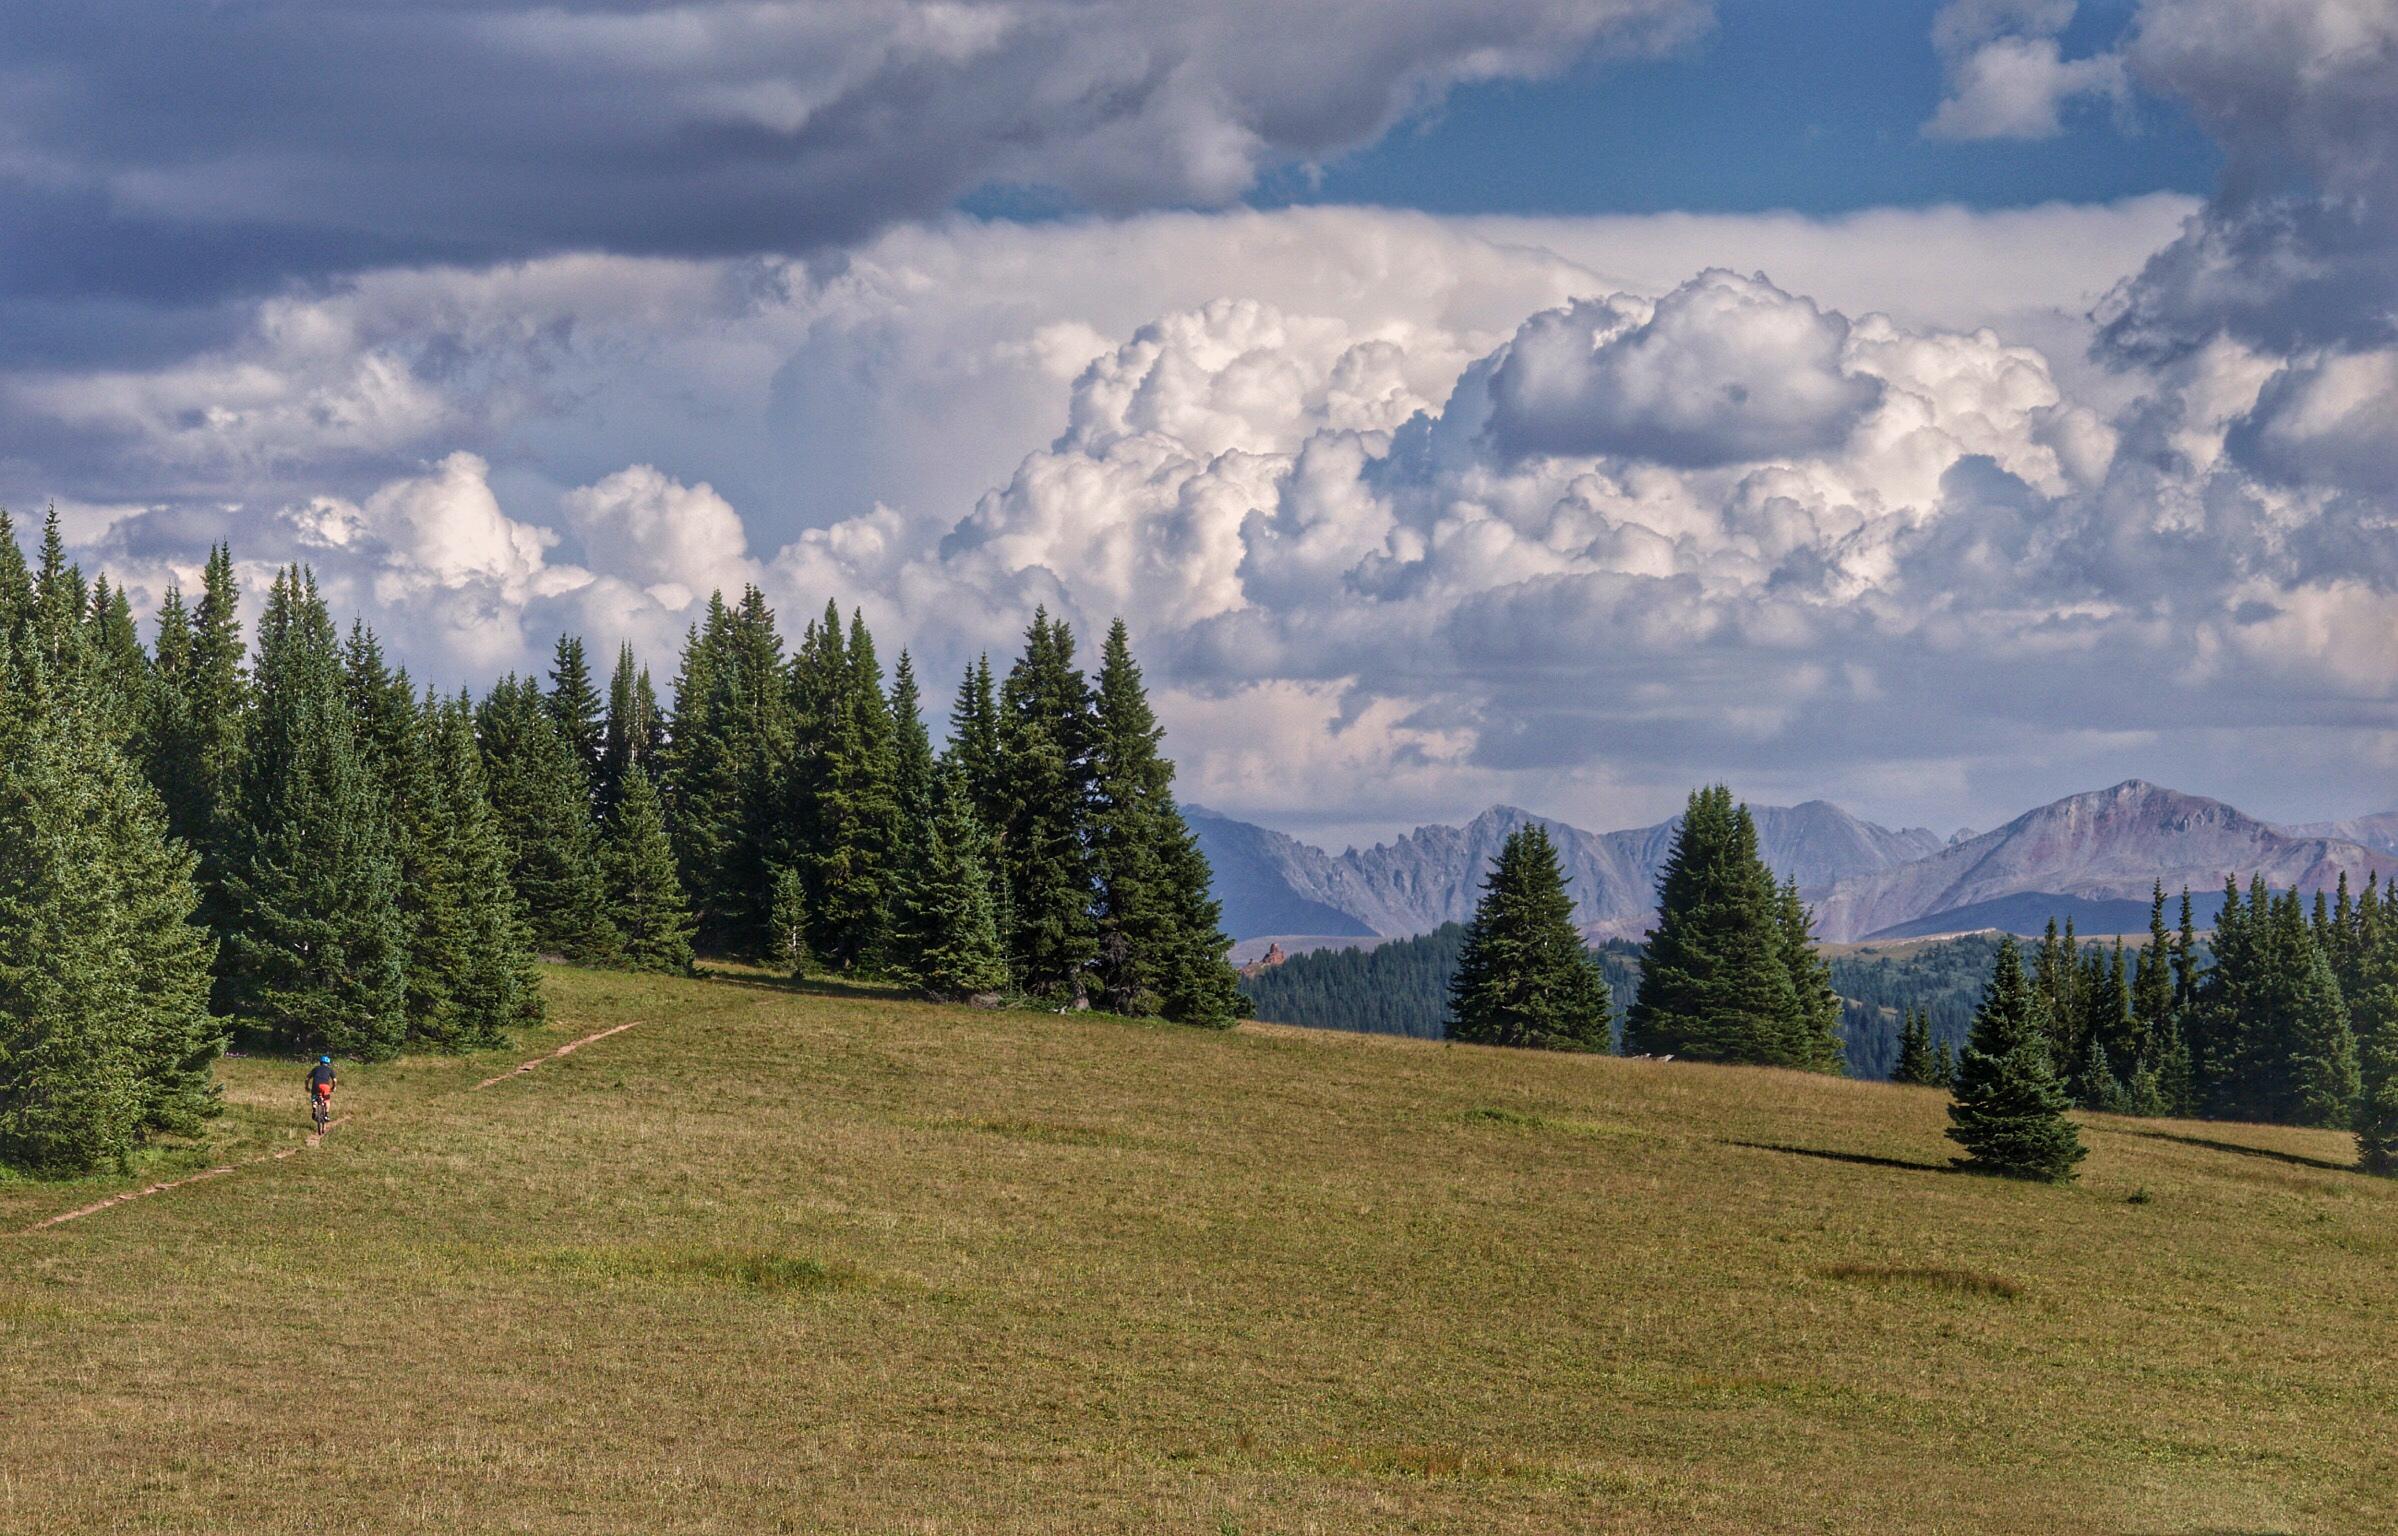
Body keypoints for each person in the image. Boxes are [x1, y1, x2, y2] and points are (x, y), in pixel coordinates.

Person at [306, 1055, 337, 1124]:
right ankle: (326, 1115)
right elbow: (334, 1080)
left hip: (316, 1085)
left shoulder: (316, 1068)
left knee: (314, 1097)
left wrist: (306, 1087)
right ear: (328, 1063)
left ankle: (314, 1108)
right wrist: (333, 1087)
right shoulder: (330, 1070)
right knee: (327, 1100)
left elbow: (307, 1078)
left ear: (320, 1062)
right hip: (325, 1086)